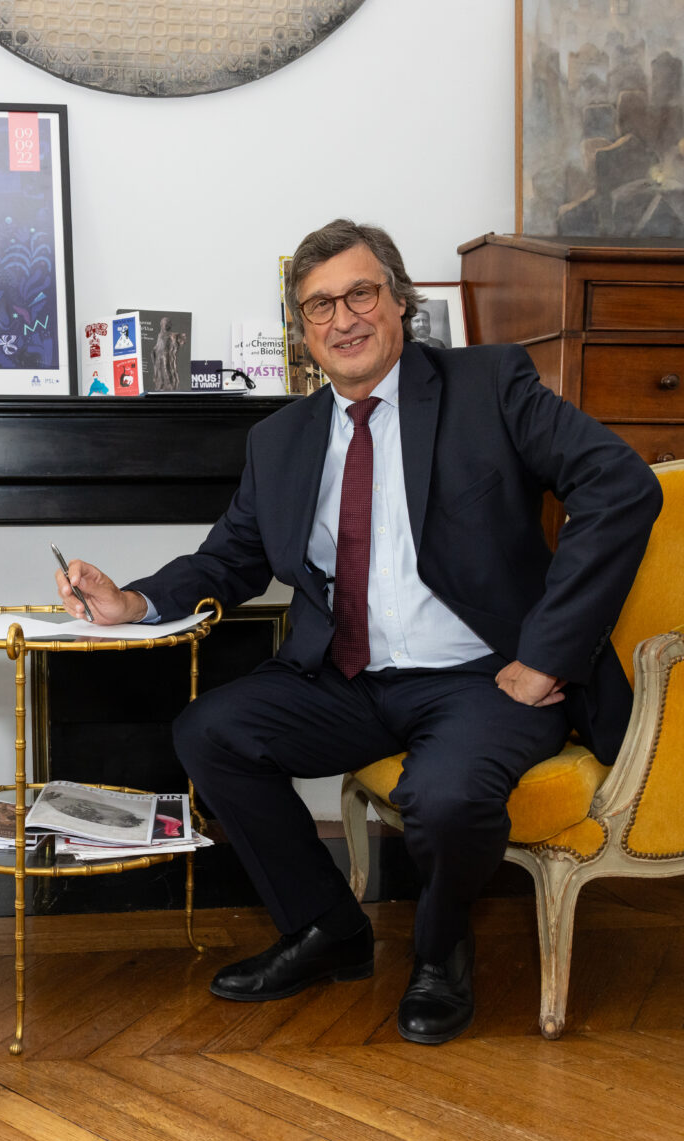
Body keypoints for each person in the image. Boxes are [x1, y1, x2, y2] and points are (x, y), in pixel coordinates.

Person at [55, 219, 662, 1045]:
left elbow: (620, 486)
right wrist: (130, 601)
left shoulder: (489, 384)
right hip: (347, 680)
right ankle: (326, 928)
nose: (343, 319)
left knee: (444, 798)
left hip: (483, 679)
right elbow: (230, 558)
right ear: (301, 331)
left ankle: (442, 953)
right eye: (319, 306)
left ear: (400, 301)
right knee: (210, 731)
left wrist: (547, 654)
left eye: (360, 294)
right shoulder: (281, 439)